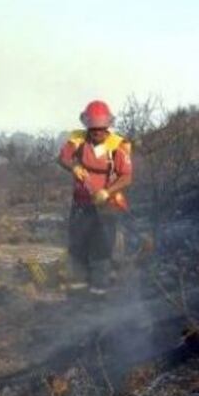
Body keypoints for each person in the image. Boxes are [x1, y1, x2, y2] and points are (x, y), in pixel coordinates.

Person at [58, 100, 133, 295]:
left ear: (107, 126)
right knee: (77, 246)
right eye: (93, 128)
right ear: (87, 125)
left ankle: (99, 295)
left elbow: (126, 176)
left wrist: (107, 192)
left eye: (100, 128)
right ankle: (77, 293)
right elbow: (63, 158)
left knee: (101, 249)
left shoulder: (117, 145)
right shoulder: (78, 139)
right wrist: (74, 167)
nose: (96, 132)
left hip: (106, 207)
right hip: (81, 204)